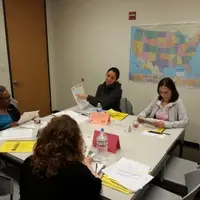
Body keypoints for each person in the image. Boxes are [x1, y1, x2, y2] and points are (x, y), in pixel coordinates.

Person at [20, 115, 102, 200]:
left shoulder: (29, 162)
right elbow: (96, 187)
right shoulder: (77, 171)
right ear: (75, 143)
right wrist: (89, 166)